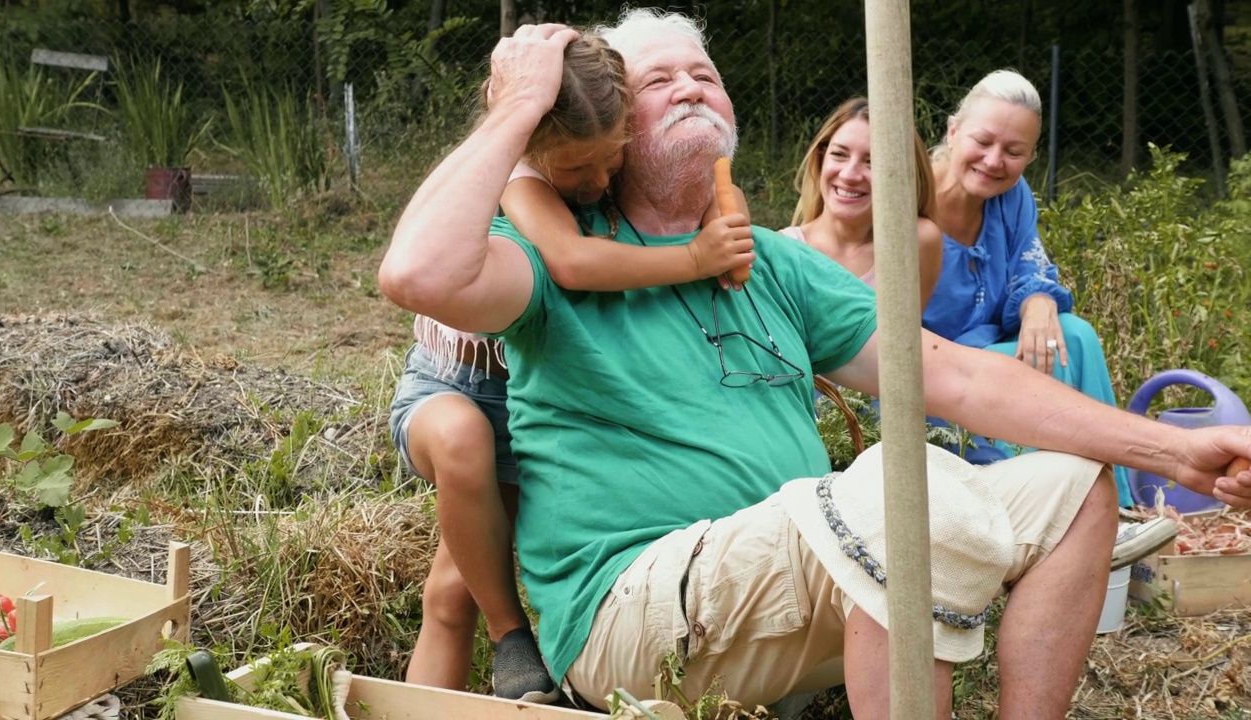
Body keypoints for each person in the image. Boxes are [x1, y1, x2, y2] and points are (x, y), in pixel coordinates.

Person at [379, 11, 1251, 718]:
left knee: (1068, 484)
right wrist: (516, 109)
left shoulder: (773, 260)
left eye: (704, 74)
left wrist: (1168, 453)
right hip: (636, 613)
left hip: (804, 580)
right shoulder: (550, 253)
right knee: (894, 491)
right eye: (658, 79)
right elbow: (417, 274)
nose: (690, 84)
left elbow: (958, 377)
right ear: (599, 125)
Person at [389, 30, 752, 704]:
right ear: (530, 144)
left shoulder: (603, 170)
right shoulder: (519, 177)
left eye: (610, 160)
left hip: (540, 396)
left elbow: (703, 174)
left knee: (452, 583)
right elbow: (573, 263)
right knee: (457, 544)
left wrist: (722, 211)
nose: (597, 184)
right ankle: (510, 639)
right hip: (455, 387)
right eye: (576, 169)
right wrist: (696, 260)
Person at [919, 70, 1133, 506]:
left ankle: (1120, 505)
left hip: (990, 352)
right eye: (983, 141)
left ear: (1031, 156)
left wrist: (1037, 300)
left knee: (1073, 334)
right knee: (1031, 366)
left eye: (1014, 151)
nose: (994, 161)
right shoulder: (910, 196)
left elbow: (1030, 266)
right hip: (932, 376)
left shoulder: (1012, 197)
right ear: (953, 130)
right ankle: (1057, 507)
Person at [780, 97, 942, 310]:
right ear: (820, 160)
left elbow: (911, 338)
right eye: (839, 154)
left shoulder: (916, 241)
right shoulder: (783, 251)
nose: (849, 175)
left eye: (872, 161)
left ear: (905, 175)